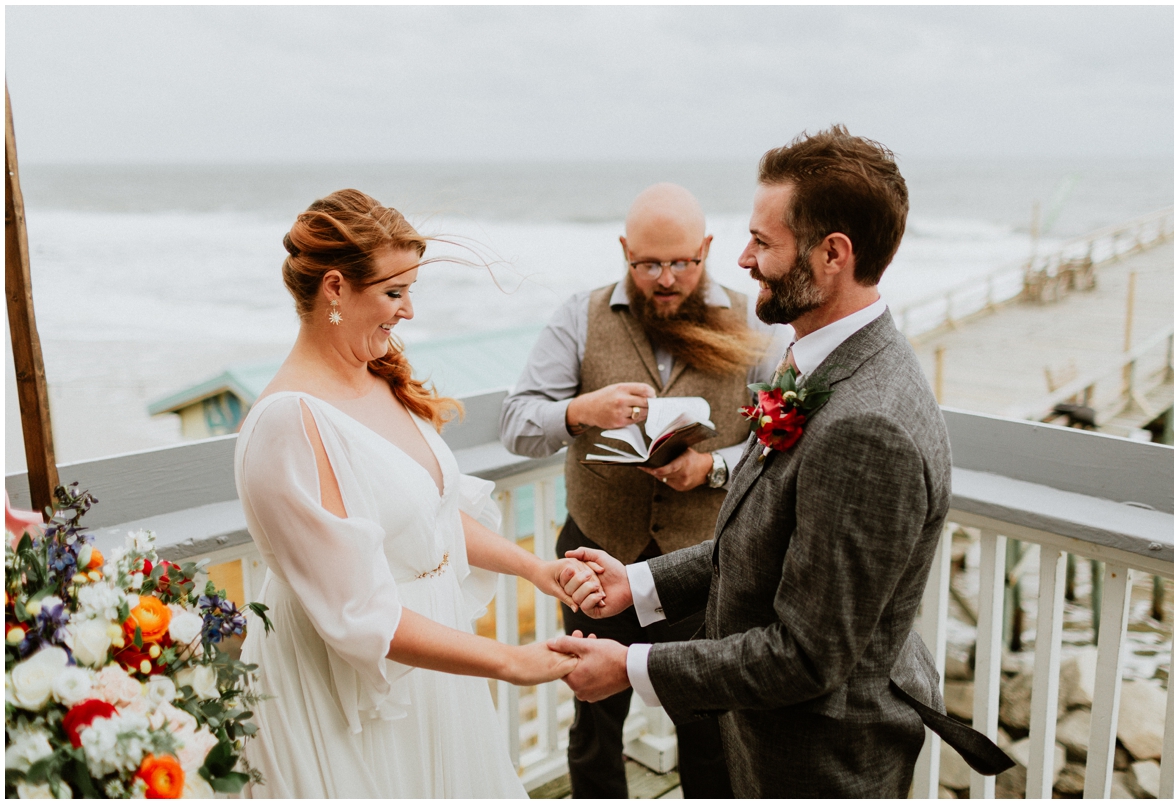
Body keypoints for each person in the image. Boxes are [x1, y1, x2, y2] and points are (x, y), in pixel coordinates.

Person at [552, 128, 1014, 797]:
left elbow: (805, 655)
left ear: (833, 255)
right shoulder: (817, 362)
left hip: (816, 758)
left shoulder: (868, 426)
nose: (742, 259)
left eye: (763, 243)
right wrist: (638, 585)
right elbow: (759, 539)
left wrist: (630, 667)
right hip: (770, 733)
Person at [234, 189, 603, 798]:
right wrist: (509, 661)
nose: (407, 312)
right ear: (334, 288)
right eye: (394, 292)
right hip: (348, 679)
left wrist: (535, 569)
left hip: (435, 653)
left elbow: (431, 520)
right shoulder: (288, 423)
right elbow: (360, 613)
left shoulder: (375, 371)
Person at [499, 183, 790, 798]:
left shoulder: (758, 324)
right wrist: (580, 410)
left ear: (708, 248)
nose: (664, 279)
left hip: (704, 566)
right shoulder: (580, 316)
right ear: (625, 251)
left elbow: (780, 449)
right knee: (594, 725)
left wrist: (709, 468)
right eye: (647, 264)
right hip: (593, 561)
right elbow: (515, 426)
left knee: (710, 727)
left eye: (682, 262)